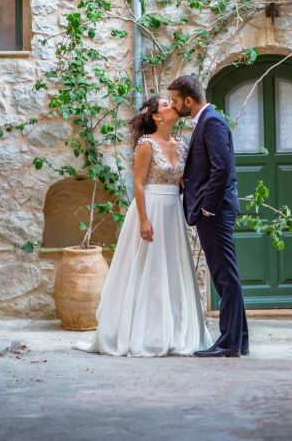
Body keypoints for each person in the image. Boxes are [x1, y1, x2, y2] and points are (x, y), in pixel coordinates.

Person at [75, 96, 212, 357]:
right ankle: (141, 334)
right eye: (165, 104)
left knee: (171, 270)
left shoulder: (181, 145)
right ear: (156, 117)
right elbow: (138, 184)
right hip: (150, 209)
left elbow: (185, 182)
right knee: (147, 270)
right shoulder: (146, 145)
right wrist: (144, 219)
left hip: (172, 212)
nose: (172, 105)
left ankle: (174, 332)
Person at [168, 75, 249, 358]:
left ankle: (229, 342)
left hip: (215, 212)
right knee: (227, 274)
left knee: (224, 276)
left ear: (188, 101)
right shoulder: (208, 121)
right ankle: (239, 340)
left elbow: (222, 168)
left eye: (175, 101)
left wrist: (207, 208)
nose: (173, 106)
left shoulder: (211, 122)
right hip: (213, 210)